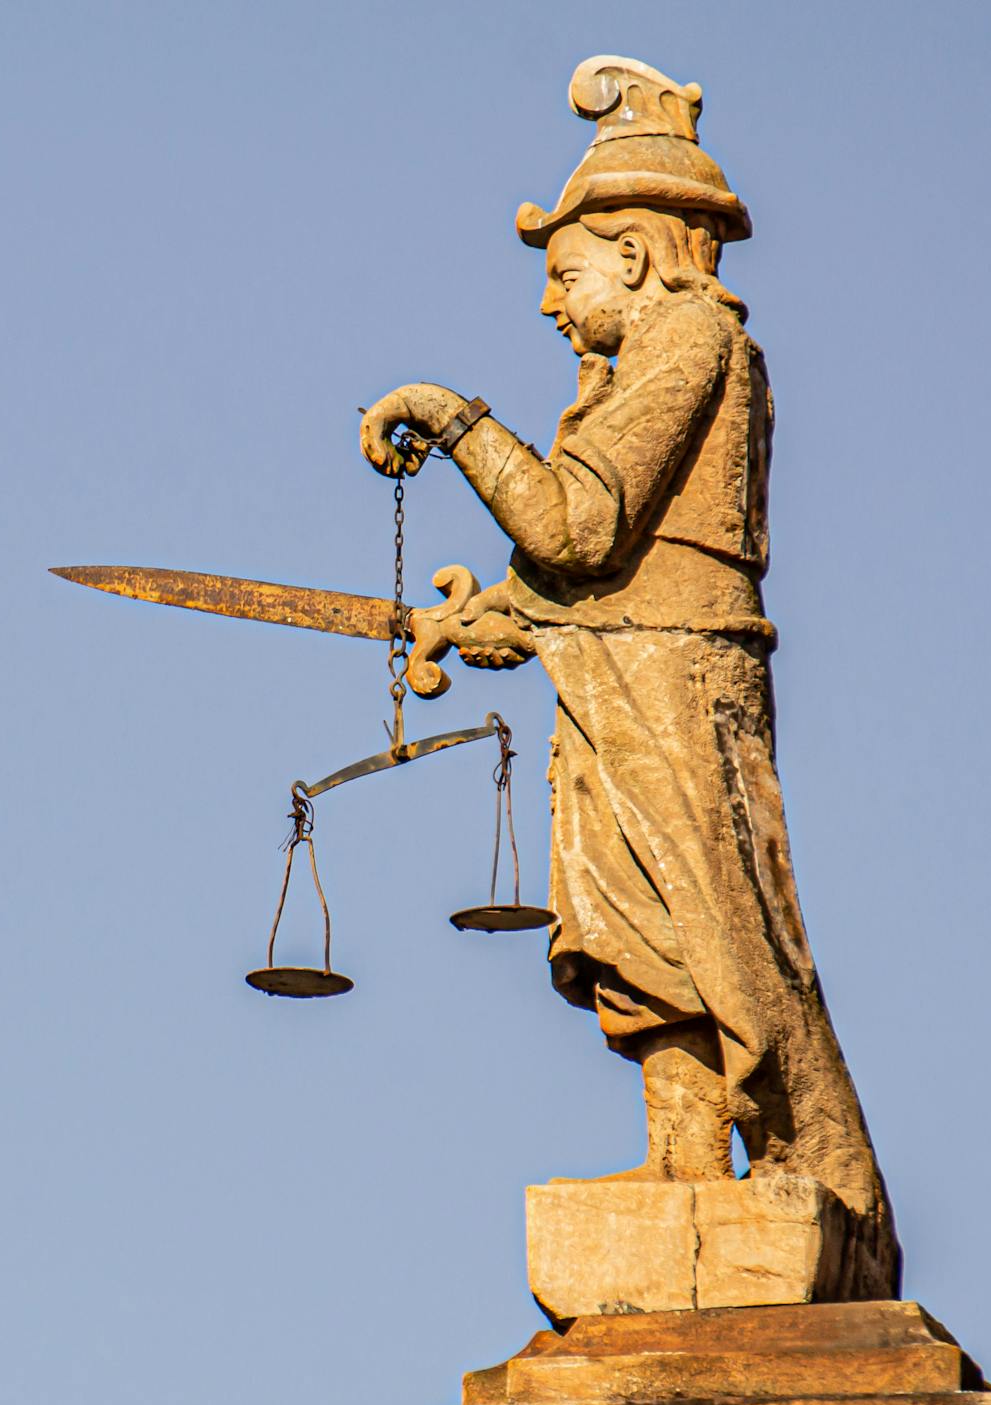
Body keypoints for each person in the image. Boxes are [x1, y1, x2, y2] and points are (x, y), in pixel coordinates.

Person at [357, 57, 898, 1299]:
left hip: (674, 684)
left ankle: (824, 1169)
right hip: (619, 669)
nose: (552, 305)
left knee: (718, 923)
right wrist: (495, 617)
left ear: (640, 257)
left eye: (565, 273)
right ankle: (679, 1161)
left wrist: (454, 418)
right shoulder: (633, 364)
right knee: (629, 921)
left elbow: (576, 529)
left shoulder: (693, 339)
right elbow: (585, 568)